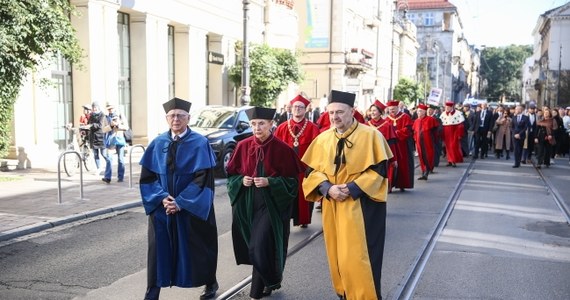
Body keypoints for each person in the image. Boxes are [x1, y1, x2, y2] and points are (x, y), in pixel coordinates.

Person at [302, 90, 393, 300]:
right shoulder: (323, 138)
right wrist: (327, 188)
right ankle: (344, 293)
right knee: (338, 255)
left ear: (352, 111)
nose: (335, 117)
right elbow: (311, 172)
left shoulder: (371, 135)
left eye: (340, 112)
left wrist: (351, 189)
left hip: (362, 206)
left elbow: (379, 170)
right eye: (331, 112)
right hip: (333, 205)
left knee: (360, 256)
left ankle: (366, 296)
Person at [139, 97, 219, 300]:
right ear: (167, 118)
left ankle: (210, 281)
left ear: (188, 118)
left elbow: (204, 180)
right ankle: (152, 291)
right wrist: (162, 198)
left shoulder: (200, 143)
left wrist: (181, 202)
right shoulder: (158, 143)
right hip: (162, 209)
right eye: (172, 115)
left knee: (200, 247)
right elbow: (147, 178)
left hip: (192, 208)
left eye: (180, 116)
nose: (176, 119)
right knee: (157, 250)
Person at [226, 106, 304, 300]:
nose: (257, 127)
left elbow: (293, 184)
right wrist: (241, 180)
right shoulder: (243, 146)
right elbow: (231, 177)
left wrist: (271, 181)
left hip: (271, 205)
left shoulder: (282, 149)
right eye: (253, 124)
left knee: (259, 246)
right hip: (247, 204)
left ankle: (257, 292)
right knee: (256, 246)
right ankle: (270, 281)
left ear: (271, 124)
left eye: (261, 123)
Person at [274, 94, 320, 227]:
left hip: (305, 168)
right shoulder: (282, 127)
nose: (297, 109)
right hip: (286, 168)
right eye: (295, 107)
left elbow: (317, 150)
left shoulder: (313, 128)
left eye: (301, 107)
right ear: (291, 108)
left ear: (305, 110)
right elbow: (276, 148)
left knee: (304, 194)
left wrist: (313, 168)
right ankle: (285, 218)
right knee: (287, 193)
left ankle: (303, 220)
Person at [367, 100, 398, 191]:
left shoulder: (387, 125)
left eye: (374, 110)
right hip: (370, 154)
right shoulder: (366, 125)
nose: (372, 112)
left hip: (383, 155)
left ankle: (385, 187)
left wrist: (393, 159)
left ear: (380, 112)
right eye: (371, 110)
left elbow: (391, 144)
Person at [385, 100, 414, 191]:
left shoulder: (405, 117)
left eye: (393, 109)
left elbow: (408, 129)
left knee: (403, 164)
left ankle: (402, 184)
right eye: (390, 109)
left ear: (397, 108)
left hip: (402, 145)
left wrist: (396, 133)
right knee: (391, 165)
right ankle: (389, 185)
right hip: (391, 146)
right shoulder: (387, 119)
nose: (391, 111)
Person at [101, 103, 129, 183]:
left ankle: (120, 177)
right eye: (109, 109)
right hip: (110, 140)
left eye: (111, 108)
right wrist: (110, 126)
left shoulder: (120, 115)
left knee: (120, 159)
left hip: (119, 139)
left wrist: (118, 125)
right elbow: (103, 129)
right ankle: (107, 177)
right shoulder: (105, 117)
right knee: (109, 158)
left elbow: (126, 127)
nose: (110, 110)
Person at [413, 103, 439, 180]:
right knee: (421, 157)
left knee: (428, 156)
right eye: (417, 111)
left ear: (424, 112)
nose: (418, 113)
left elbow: (435, 131)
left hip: (428, 142)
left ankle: (427, 171)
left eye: (420, 111)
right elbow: (415, 132)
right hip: (419, 142)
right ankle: (424, 171)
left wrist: (435, 140)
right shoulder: (416, 121)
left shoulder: (431, 120)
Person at [439, 101, 465, 167]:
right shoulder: (443, 114)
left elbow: (460, 125)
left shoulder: (458, 113)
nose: (446, 108)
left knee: (453, 146)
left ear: (451, 107)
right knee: (448, 147)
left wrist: (459, 134)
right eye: (446, 107)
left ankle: (454, 161)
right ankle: (450, 160)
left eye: (448, 107)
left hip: (454, 132)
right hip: (446, 132)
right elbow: (441, 125)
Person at [87, 102, 106, 172]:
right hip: (93, 137)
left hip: (100, 137)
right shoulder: (91, 115)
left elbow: (100, 125)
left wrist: (92, 125)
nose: (94, 109)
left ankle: (109, 165)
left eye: (95, 107)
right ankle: (99, 169)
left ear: (98, 107)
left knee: (103, 154)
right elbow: (89, 123)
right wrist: (87, 125)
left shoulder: (102, 115)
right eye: (93, 107)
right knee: (95, 154)